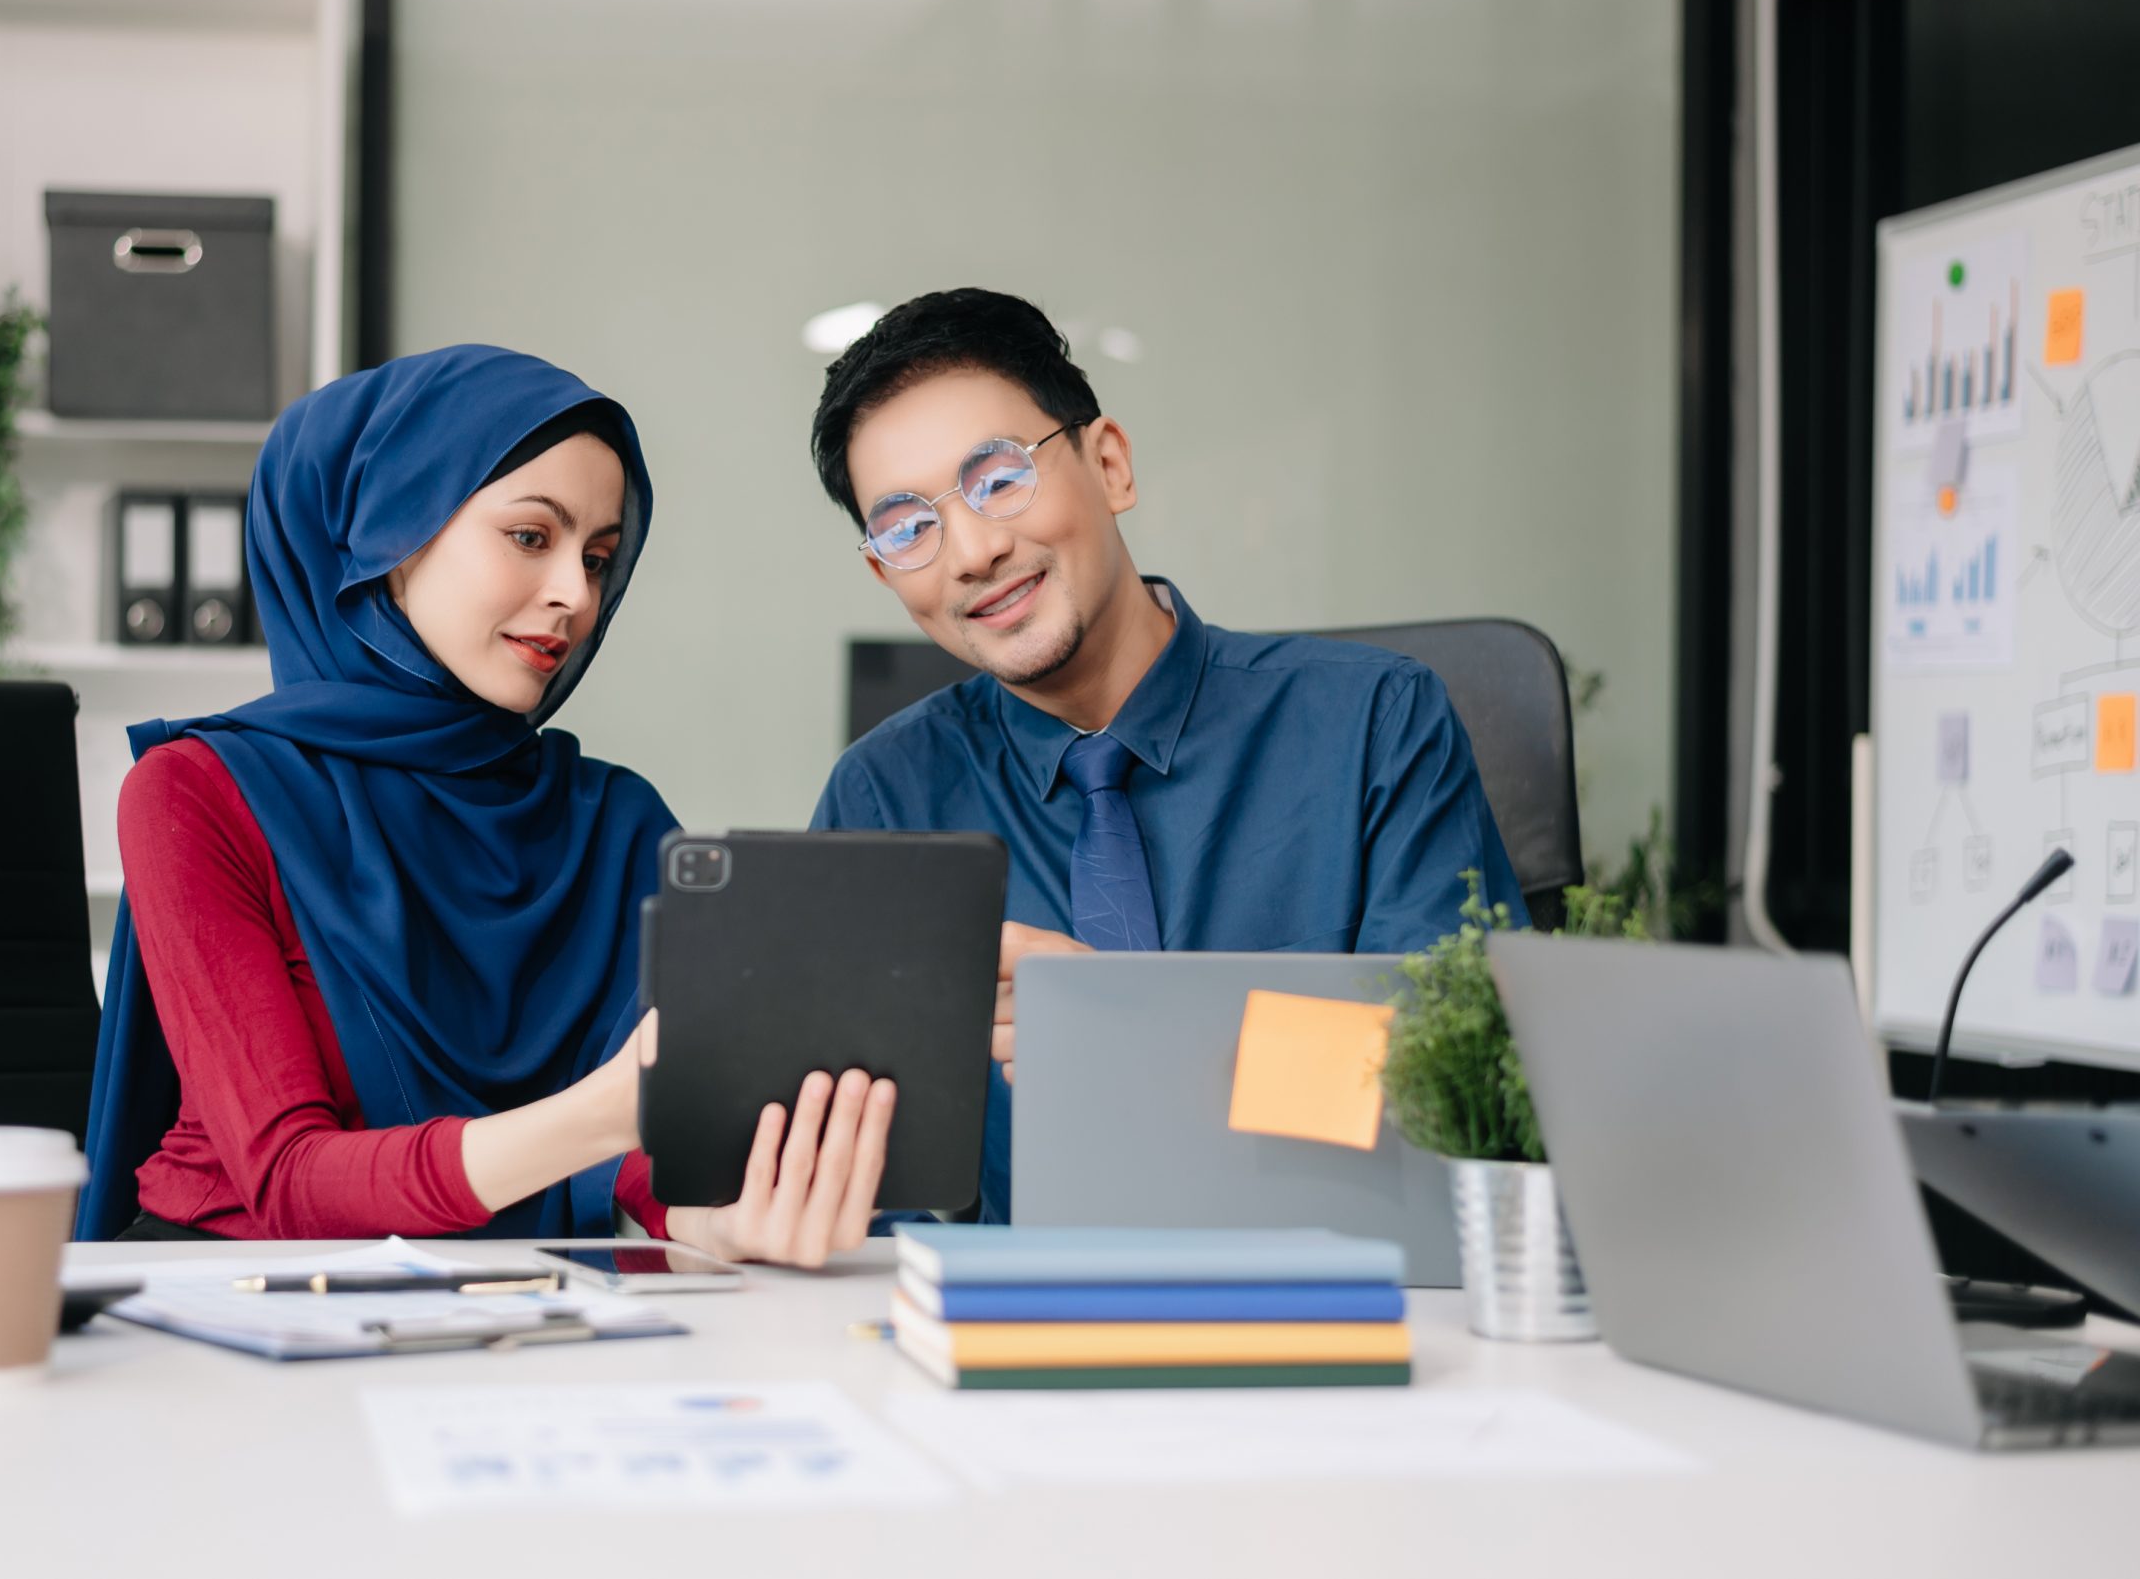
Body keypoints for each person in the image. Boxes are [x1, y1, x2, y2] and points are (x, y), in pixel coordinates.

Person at [80, 345, 890, 1265]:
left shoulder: (616, 819)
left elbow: (644, 1138)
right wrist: (599, 1117)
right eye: (530, 537)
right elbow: (287, 1178)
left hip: (518, 1307)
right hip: (237, 1297)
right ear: (386, 534)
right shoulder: (198, 791)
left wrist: (712, 1216)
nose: (574, 596)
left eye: (598, 556)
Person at [807, 290, 1523, 1221]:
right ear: (885, 574)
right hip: (1007, 1331)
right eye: (908, 527)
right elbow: (862, 1199)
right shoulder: (881, 800)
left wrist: (1148, 1039)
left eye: (998, 478)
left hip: (1324, 1310)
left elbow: (1459, 1094)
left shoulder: (1374, 724)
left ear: (1109, 464)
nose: (973, 550)